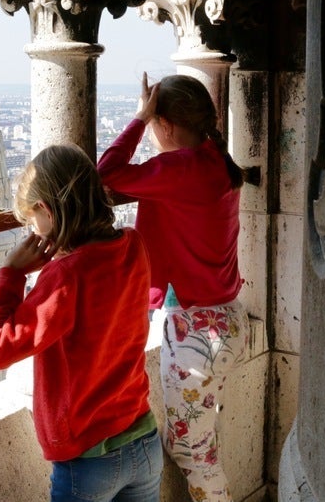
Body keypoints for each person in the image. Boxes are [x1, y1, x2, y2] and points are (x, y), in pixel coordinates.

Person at [0, 144, 163, 502]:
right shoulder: (132, 244)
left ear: (47, 211)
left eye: (33, 222)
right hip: (143, 436)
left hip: (90, 458)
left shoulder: (65, 275)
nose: (35, 233)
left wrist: (11, 275)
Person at [97, 73, 249, 502]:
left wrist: (138, 118)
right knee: (200, 445)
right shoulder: (216, 161)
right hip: (228, 319)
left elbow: (104, 173)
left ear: (164, 125)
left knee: (192, 454)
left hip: (194, 336)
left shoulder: (179, 168)